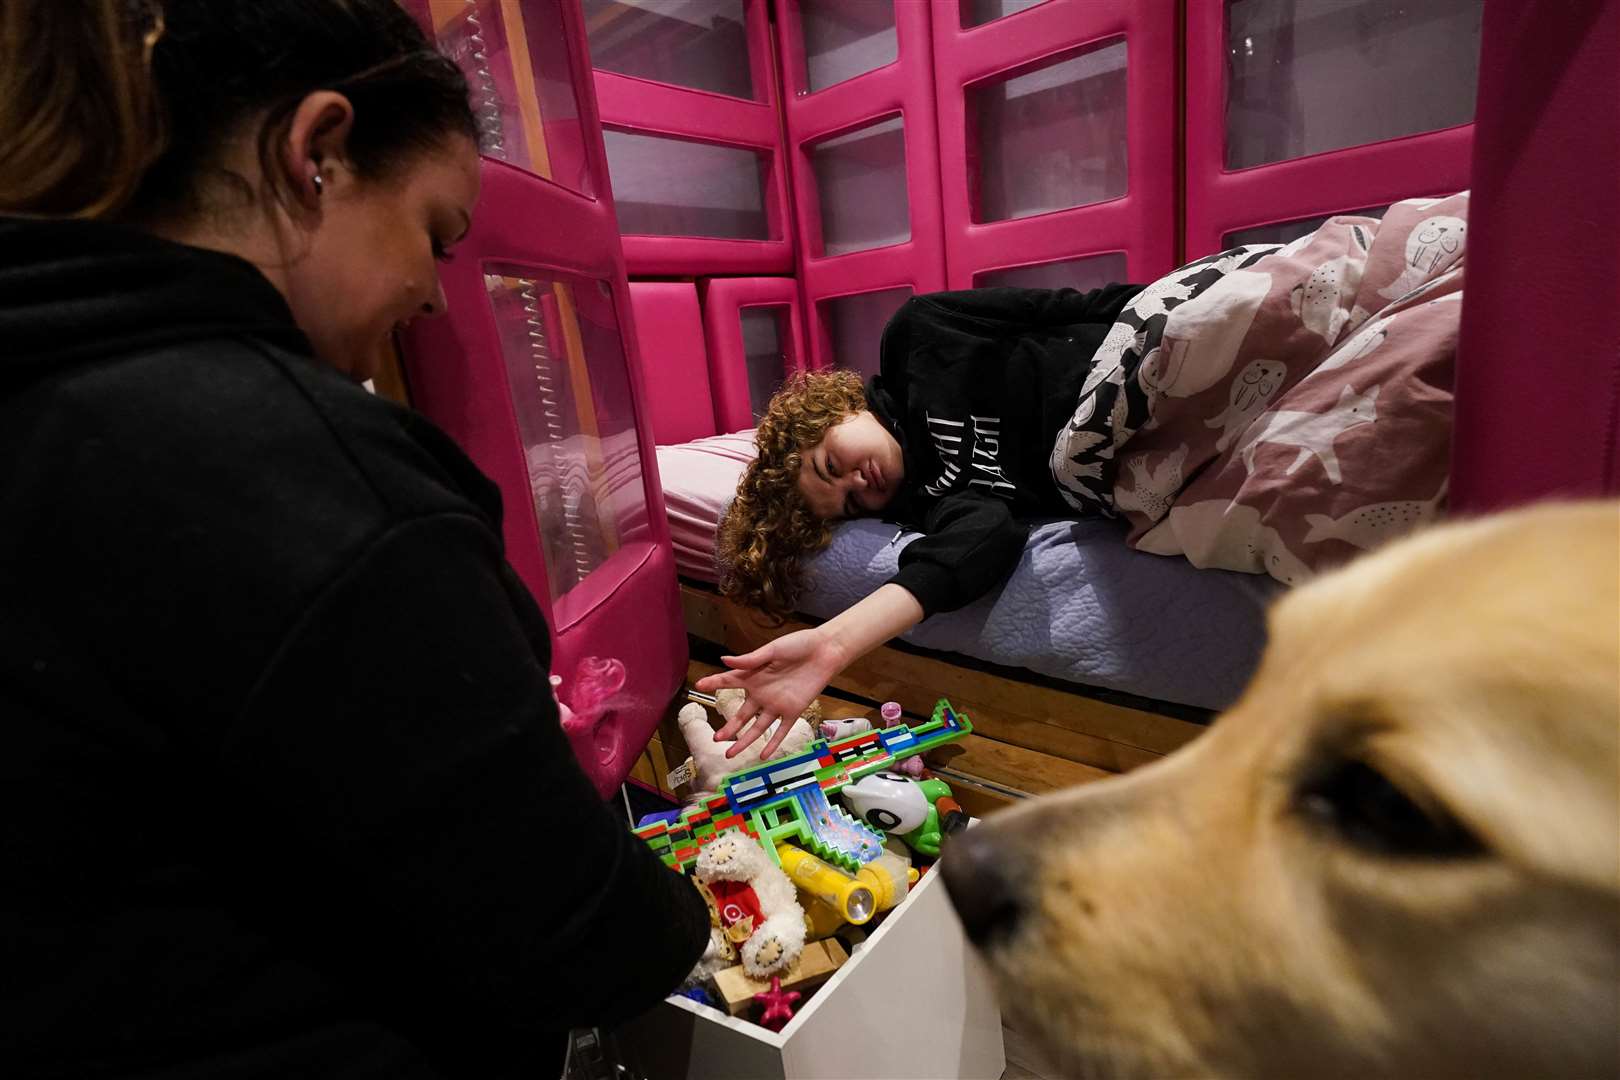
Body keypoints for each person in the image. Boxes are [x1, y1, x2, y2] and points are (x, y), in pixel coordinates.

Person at [0, 3, 707, 1077]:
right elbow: (583, 937)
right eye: (434, 232)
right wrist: (673, 909)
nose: (431, 295)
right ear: (316, 154)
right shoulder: (304, 472)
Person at [698, 283, 1145, 759]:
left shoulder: (918, 333)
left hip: (1137, 355)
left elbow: (1068, 307)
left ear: (832, 413)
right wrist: (833, 644)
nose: (857, 482)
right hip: (1141, 455)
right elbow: (986, 540)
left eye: (831, 464)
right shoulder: (930, 501)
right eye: (850, 505)